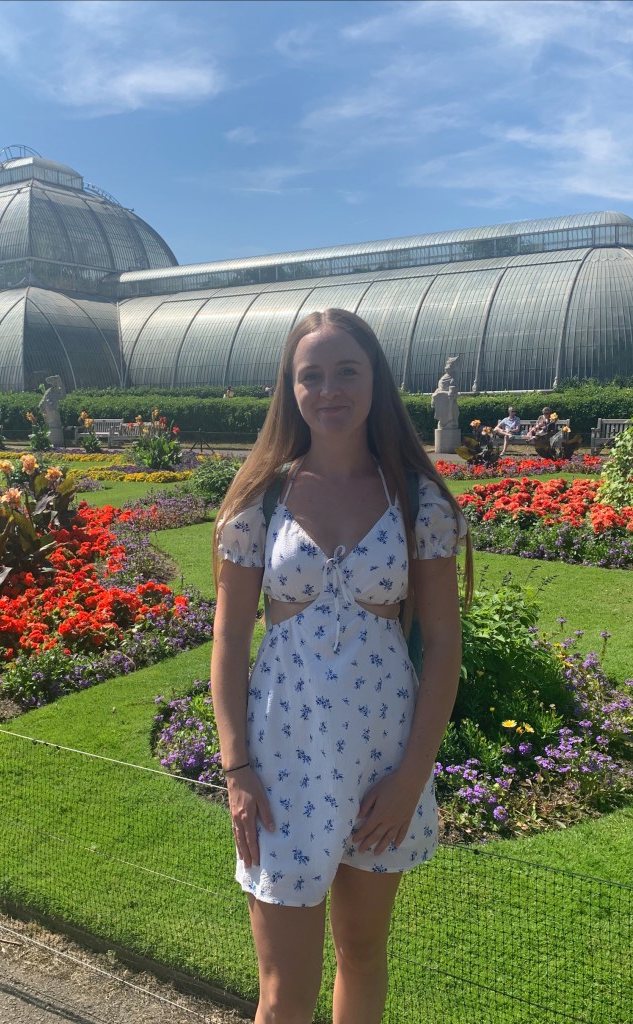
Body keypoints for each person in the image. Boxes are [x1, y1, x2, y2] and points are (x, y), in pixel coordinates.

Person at [211, 308, 473, 1024]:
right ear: (290, 388)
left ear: (375, 380)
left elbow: (443, 646)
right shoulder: (260, 502)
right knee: (281, 994)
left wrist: (410, 778)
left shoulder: (416, 501)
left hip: (383, 763)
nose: (329, 389)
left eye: (347, 371)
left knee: (361, 953)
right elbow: (228, 644)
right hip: (280, 765)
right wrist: (236, 770)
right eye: (312, 375)